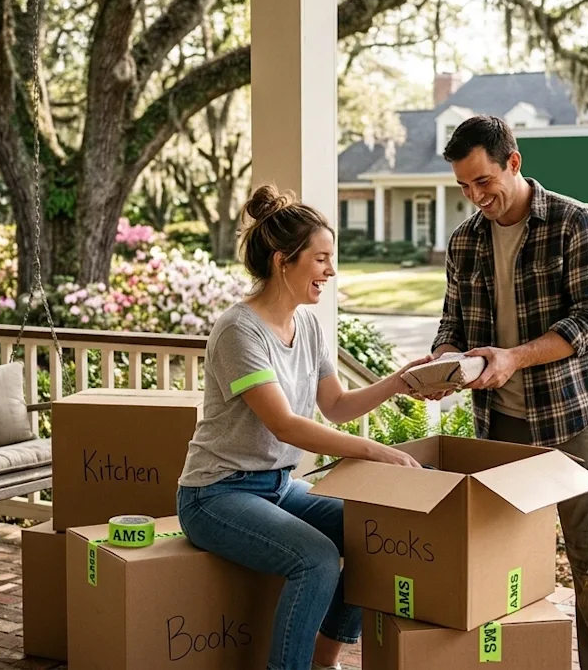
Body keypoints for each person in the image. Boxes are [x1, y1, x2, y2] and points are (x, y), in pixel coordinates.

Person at [176, 184, 426, 670]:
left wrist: (398, 382)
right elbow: (286, 425)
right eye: (321, 259)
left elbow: (334, 405)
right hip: (216, 495)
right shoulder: (238, 330)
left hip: (279, 487)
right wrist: (375, 451)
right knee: (315, 560)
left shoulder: (306, 326)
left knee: (370, 534)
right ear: (282, 261)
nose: (331, 272)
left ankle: (323, 661)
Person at [422, 115, 588, 669]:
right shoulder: (464, 241)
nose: (475, 196)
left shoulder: (573, 223)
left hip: (574, 422)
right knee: (496, 565)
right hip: (500, 427)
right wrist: (445, 361)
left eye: (483, 181)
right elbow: (453, 324)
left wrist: (514, 357)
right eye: (463, 186)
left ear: (514, 163)